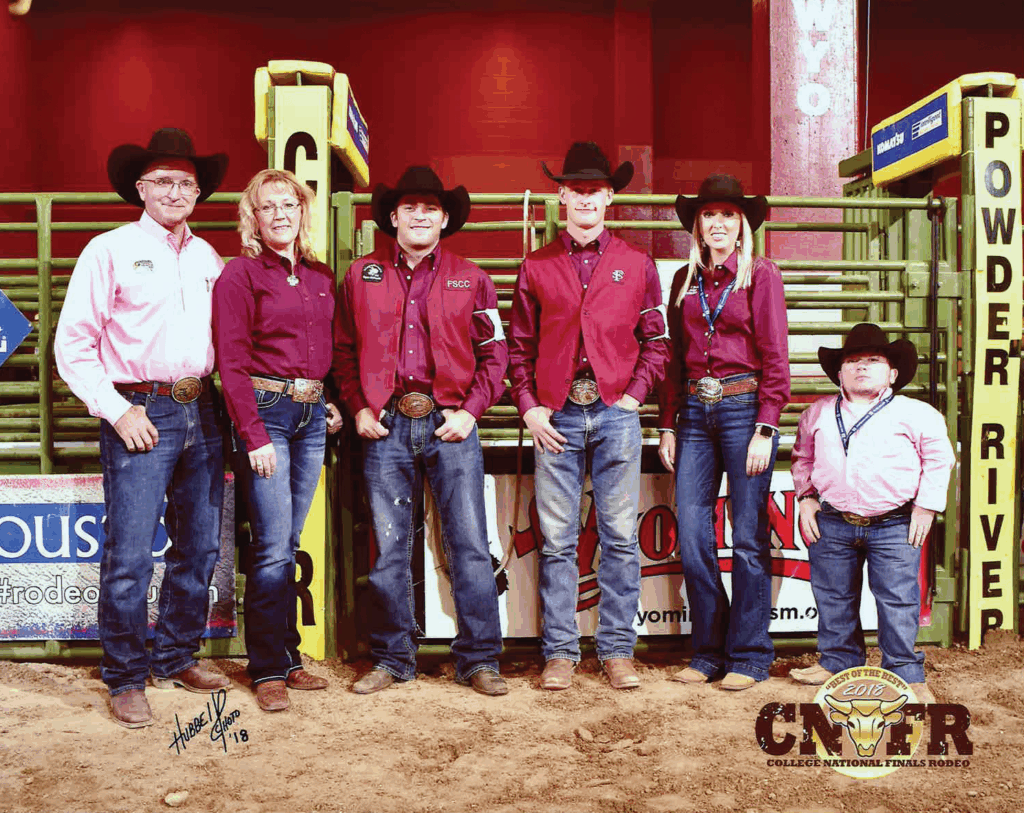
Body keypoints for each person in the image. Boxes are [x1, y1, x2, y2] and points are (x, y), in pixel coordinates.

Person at [55, 128, 231, 727]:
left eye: (186, 183)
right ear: (141, 188)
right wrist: (116, 409)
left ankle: (176, 655)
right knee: (130, 552)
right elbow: (73, 344)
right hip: (140, 408)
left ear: (198, 192)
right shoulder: (108, 250)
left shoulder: (208, 258)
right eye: (163, 181)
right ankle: (126, 675)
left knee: (200, 546)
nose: (175, 192)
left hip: (201, 407)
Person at [332, 166, 508, 697]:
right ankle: (393, 658)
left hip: (450, 422)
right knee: (389, 547)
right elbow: (343, 350)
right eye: (409, 207)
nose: (420, 215)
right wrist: (359, 407)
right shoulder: (361, 275)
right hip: (385, 425)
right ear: (393, 216)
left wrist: (471, 412)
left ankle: (480, 659)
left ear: (445, 218)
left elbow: (494, 353)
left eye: (430, 207)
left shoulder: (472, 278)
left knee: (469, 543)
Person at [508, 141, 670, 691]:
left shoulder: (636, 264)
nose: (584, 199)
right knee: (557, 539)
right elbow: (518, 347)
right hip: (555, 415)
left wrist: (633, 397)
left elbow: (656, 341)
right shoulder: (536, 266)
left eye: (593, 190)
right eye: (574, 190)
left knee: (620, 535)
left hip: (614, 411)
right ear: (561, 197)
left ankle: (617, 649)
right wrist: (529, 408)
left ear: (608, 197)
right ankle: (559, 651)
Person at [213, 169, 343, 712]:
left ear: (302, 211)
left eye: (289, 204)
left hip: (311, 415)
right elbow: (231, 362)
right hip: (265, 413)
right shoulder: (240, 275)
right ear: (254, 218)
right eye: (267, 207)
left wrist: (329, 399)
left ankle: (287, 657)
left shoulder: (319, 275)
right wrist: (253, 434)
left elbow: (330, 346)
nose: (280, 214)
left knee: (287, 542)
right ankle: (266, 667)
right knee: (270, 546)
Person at [658, 173, 790, 691]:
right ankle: (709, 650)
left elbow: (775, 354)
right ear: (698, 225)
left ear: (741, 225)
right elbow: (673, 359)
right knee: (693, 536)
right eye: (709, 215)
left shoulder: (761, 274)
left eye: (728, 215)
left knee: (749, 535)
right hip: (694, 412)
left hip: (744, 409)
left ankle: (750, 655)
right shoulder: (683, 280)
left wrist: (766, 426)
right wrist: (667, 423)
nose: (718, 223)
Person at [789, 323, 955, 702]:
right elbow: (802, 457)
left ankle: (904, 671)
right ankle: (838, 661)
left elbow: (939, 459)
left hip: (895, 522)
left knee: (897, 598)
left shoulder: (917, 413)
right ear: (840, 373)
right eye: (853, 361)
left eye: (873, 360)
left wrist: (926, 506)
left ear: (892, 373)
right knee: (833, 595)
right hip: (833, 520)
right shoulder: (817, 413)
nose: (862, 366)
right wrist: (806, 497)